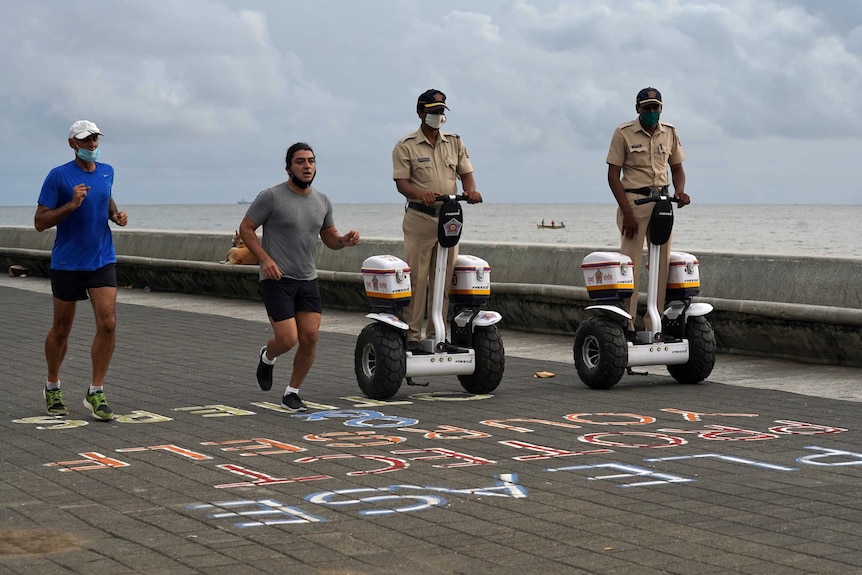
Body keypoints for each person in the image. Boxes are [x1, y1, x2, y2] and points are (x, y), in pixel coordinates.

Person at [239, 142, 360, 412]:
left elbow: (329, 237)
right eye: (301, 161)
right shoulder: (271, 196)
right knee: (287, 339)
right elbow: (246, 228)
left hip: (307, 279)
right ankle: (267, 356)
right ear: (288, 167)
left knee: (310, 337)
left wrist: (344, 241)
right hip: (277, 278)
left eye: (311, 161)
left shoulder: (322, 201)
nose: (307, 166)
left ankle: (292, 392)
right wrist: (265, 259)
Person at [35, 120, 128, 420]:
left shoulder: (107, 170)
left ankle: (96, 391)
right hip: (67, 262)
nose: (92, 145)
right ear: (72, 143)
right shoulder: (58, 176)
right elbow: (40, 222)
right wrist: (71, 205)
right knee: (62, 328)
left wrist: (115, 215)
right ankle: (52, 386)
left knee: (109, 323)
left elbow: (105, 195)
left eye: (95, 140)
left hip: (102, 258)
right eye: (85, 141)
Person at [392, 89, 482, 349]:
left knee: (443, 276)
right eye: (432, 111)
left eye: (441, 111)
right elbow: (402, 184)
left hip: (448, 218)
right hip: (420, 218)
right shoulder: (406, 145)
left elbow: (466, 173)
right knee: (417, 279)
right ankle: (412, 336)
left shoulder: (454, 142)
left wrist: (471, 190)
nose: (437, 116)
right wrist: (422, 194)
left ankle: (436, 336)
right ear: (421, 113)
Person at [606, 87, 690, 334]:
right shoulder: (623, 133)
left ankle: (655, 322)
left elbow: (677, 169)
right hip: (634, 202)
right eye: (647, 108)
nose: (652, 112)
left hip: (662, 203)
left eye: (656, 107)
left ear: (661, 108)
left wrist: (681, 191)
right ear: (637, 109)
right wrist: (627, 213)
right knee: (629, 265)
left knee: (662, 264)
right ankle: (628, 321)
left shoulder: (670, 133)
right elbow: (613, 176)